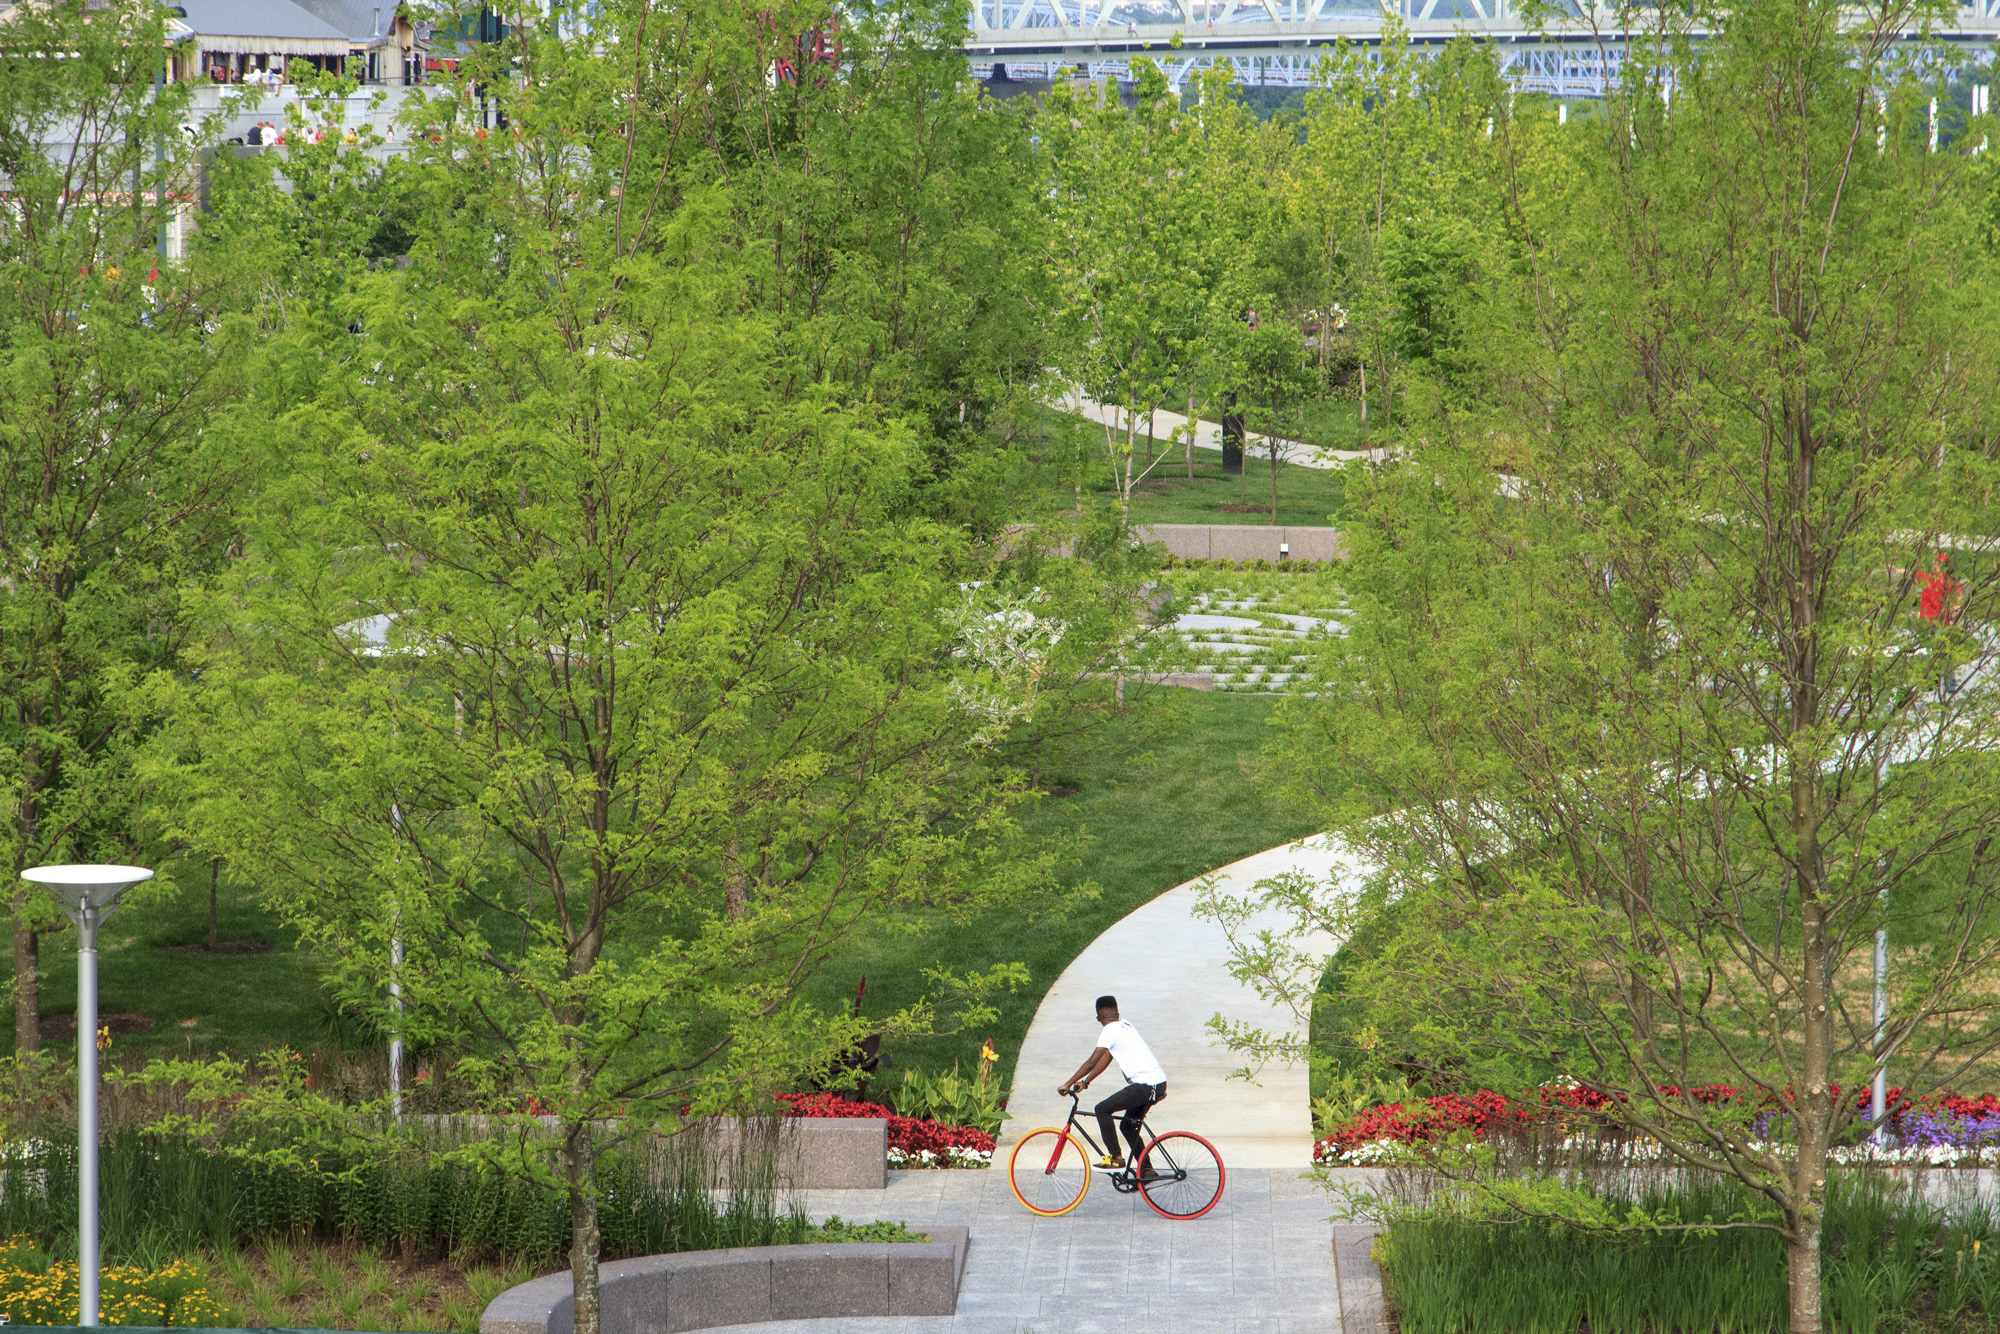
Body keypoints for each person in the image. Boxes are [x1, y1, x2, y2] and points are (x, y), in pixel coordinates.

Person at [1058, 995, 1168, 1174]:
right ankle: (1147, 1170)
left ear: (1098, 1018)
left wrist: (1067, 1083)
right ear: (1117, 1011)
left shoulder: (1109, 1030)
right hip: (1156, 1084)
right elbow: (1107, 1057)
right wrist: (1086, 1082)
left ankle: (1116, 1158)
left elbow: (1091, 1062)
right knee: (1127, 1126)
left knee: (1102, 1109)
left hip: (1146, 1086)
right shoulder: (1124, 1024)